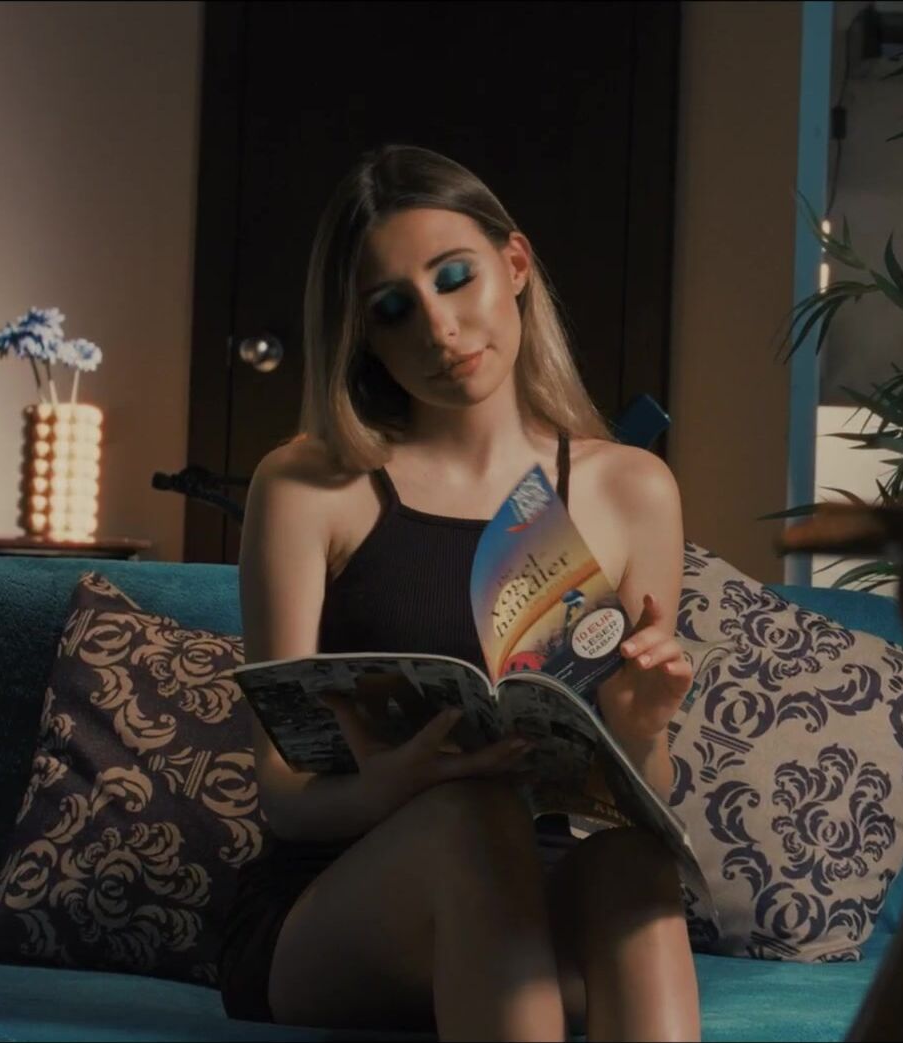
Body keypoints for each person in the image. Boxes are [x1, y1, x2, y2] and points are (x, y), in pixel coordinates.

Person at [218, 143, 701, 1042]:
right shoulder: (308, 486)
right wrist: (389, 786)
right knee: (471, 817)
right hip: (342, 902)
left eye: (454, 277)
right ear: (363, 332)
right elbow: (282, 796)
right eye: (393, 308)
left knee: (636, 858)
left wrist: (639, 728)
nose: (439, 329)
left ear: (514, 265)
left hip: (542, 894)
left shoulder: (632, 489)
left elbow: (649, 785)